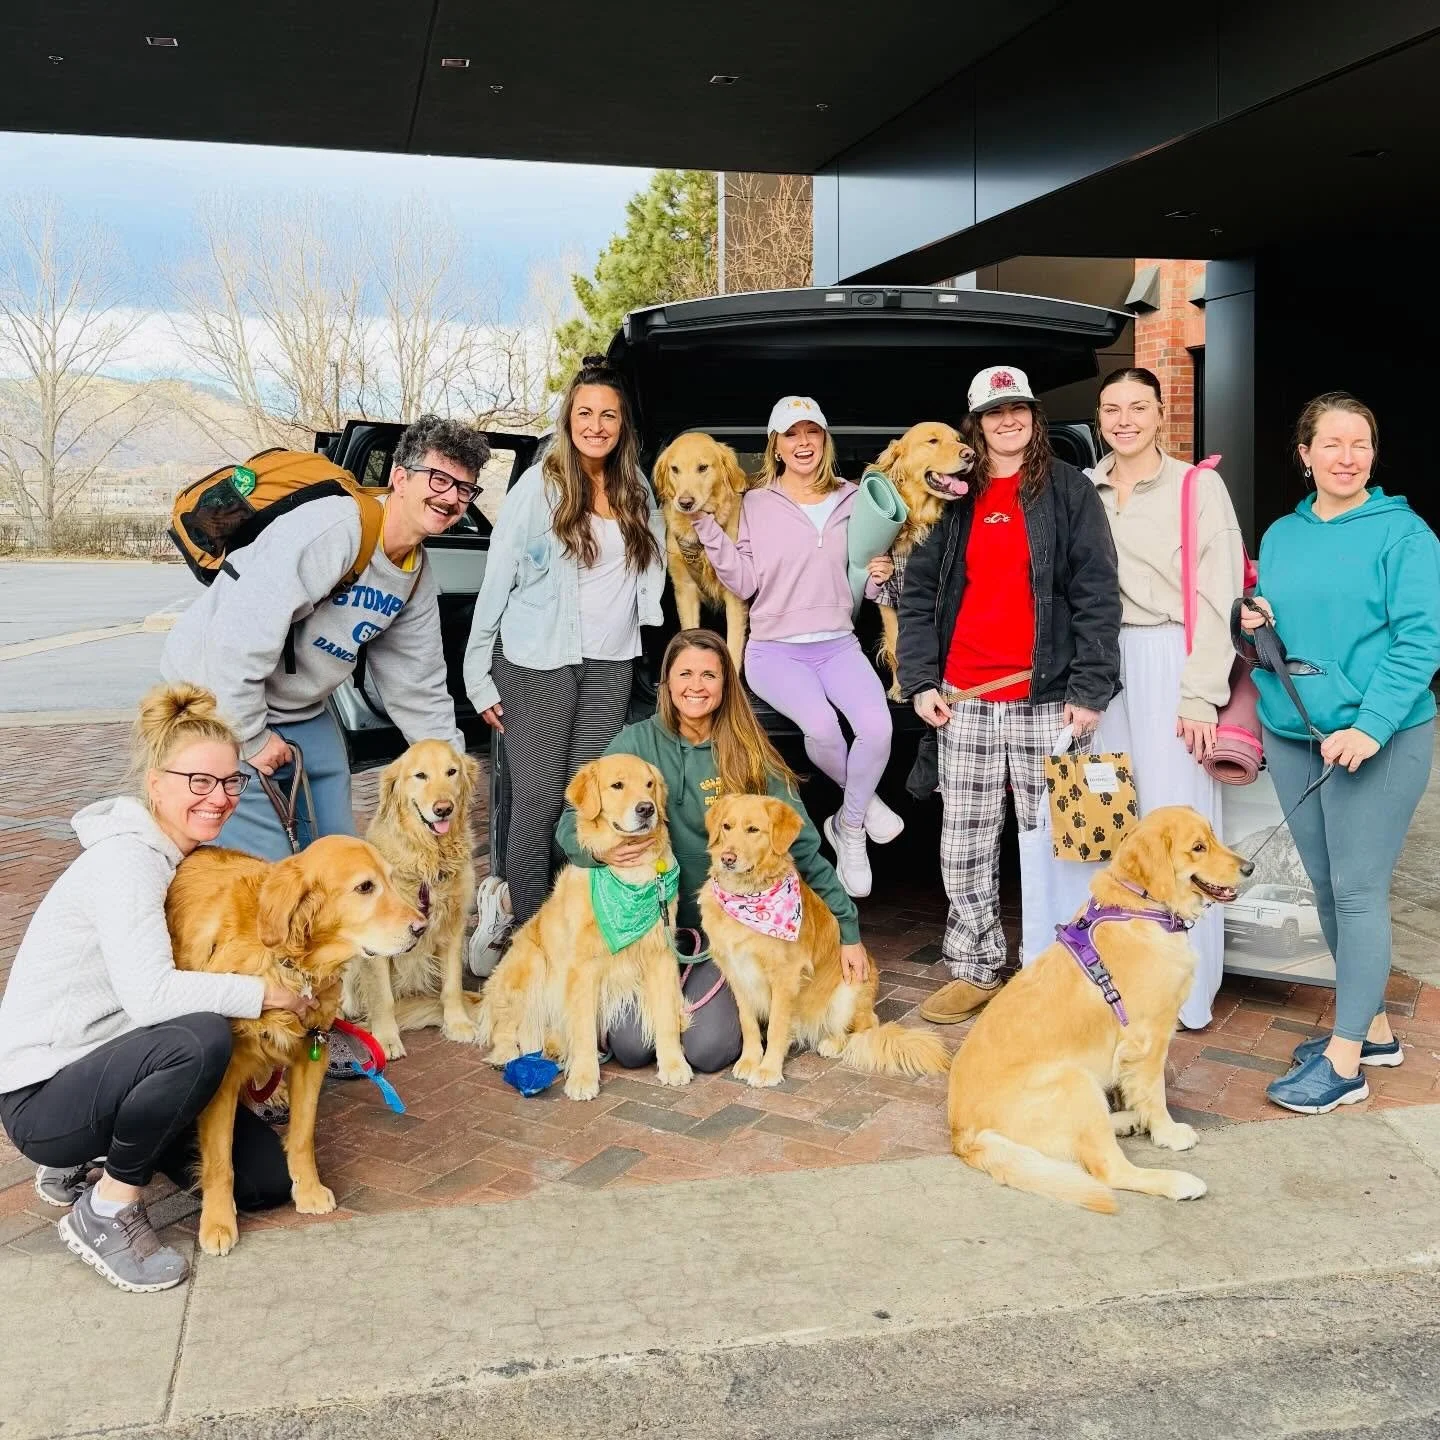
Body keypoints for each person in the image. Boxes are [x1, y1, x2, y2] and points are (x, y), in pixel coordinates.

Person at [0, 684, 317, 1293]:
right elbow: (151, 998)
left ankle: (92, 1157)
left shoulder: (182, 861)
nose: (218, 798)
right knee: (199, 1039)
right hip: (44, 1094)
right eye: (199, 781)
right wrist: (265, 993)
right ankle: (107, 1208)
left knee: (263, 1183)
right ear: (155, 784)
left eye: (230, 782)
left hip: (112, 1065)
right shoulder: (128, 863)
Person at [897, 364, 1121, 1024]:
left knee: (1059, 844)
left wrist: (1090, 688)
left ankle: (1064, 969)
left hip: (1046, 700)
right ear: (976, 424)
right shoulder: (952, 494)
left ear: (1033, 416)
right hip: (964, 699)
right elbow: (918, 595)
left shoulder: (1069, 490)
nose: (1007, 421)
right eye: (994, 413)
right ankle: (975, 966)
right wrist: (920, 681)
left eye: (1017, 409)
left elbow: (1096, 593)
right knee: (965, 843)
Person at [163, 414, 488, 860]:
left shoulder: (414, 575)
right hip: (217, 696)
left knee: (340, 855)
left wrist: (454, 771)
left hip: (299, 708)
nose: (450, 497)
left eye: (464, 489)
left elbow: (419, 687)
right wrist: (252, 738)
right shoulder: (334, 529)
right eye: (439, 479)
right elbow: (235, 640)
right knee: (266, 865)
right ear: (400, 478)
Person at [1239, 394, 1440, 1115]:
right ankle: (1374, 1031)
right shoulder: (1282, 535)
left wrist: (1372, 726)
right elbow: (1282, 630)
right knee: (1325, 890)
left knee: (1357, 892)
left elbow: (1420, 641)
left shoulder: (1405, 535)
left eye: (1360, 443)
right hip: (1294, 731)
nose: (1347, 457)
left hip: (1377, 739)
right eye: (1331, 443)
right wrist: (1252, 622)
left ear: (1374, 454)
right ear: (1305, 455)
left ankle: (1346, 1061)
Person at [555, 629, 865, 1071]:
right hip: (649, 929)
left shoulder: (748, 748)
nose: (695, 686)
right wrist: (600, 854)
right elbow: (571, 823)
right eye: (685, 674)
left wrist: (848, 929)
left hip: (727, 929)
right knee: (631, 1049)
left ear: (725, 684)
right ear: (667, 681)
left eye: (709, 675)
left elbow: (804, 846)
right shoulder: (636, 743)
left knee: (709, 1050)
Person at [464, 356, 666, 970]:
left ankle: (572, 924)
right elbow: (497, 577)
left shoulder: (635, 488)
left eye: (608, 415)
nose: (596, 425)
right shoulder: (539, 487)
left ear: (623, 425)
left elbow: (656, 559)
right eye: (585, 413)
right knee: (538, 800)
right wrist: (477, 673)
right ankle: (529, 939)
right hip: (537, 662)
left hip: (610, 663)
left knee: (586, 803)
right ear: (568, 419)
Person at [690, 396, 899, 900]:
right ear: (776, 446)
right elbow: (743, 583)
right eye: (791, 434)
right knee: (823, 728)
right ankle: (863, 809)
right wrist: (706, 528)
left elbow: (866, 581)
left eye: (812, 432)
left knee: (878, 728)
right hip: (773, 651)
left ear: (824, 439)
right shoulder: (754, 504)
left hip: (839, 643)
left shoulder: (854, 498)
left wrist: (881, 575)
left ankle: (847, 825)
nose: (803, 442)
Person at [1090, 368, 1246, 1028]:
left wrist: (1201, 693)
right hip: (1101, 662)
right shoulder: (1084, 487)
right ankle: (1120, 976)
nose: (1124, 420)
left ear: (1161, 414)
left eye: (1138, 407)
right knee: (1111, 822)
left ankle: (1189, 990)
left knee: (1181, 824)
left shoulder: (1196, 485)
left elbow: (1221, 592)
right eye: (1111, 408)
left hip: (1171, 653)